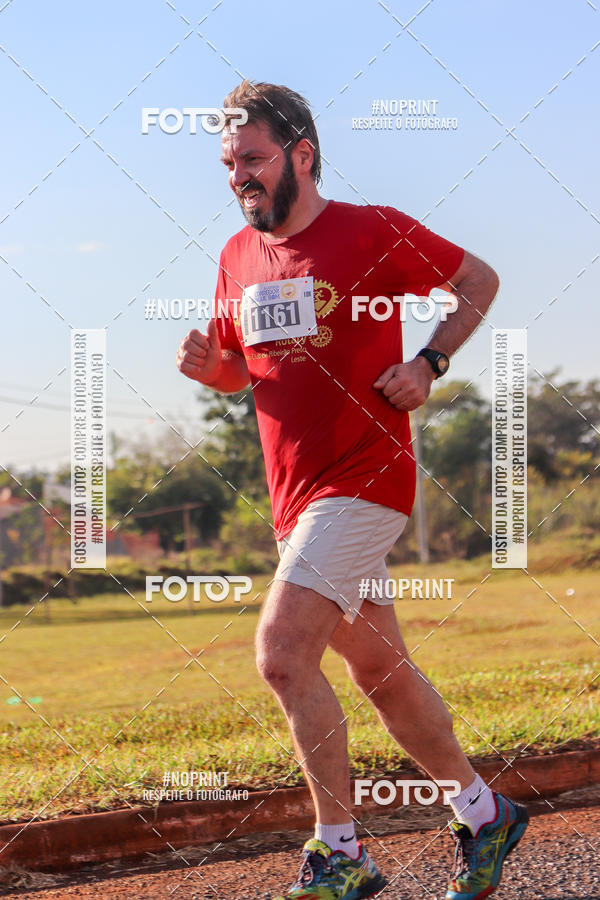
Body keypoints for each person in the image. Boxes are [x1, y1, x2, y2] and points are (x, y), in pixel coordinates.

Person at [176, 79, 529, 900]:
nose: (240, 177)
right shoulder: (236, 255)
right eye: (230, 164)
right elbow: (239, 370)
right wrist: (211, 368)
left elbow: (478, 280)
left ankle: (340, 854)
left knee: (281, 654)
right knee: (382, 674)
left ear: (301, 154)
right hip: (293, 501)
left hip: (364, 482)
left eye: (255, 159)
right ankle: (485, 813)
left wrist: (429, 363)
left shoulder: (372, 233)